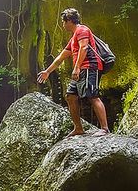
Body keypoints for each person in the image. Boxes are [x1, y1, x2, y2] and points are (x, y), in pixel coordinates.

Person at [37, 8, 109, 136]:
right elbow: (61, 57)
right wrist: (47, 72)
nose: (62, 25)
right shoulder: (74, 37)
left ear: (69, 20)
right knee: (70, 97)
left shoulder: (82, 30)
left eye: (63, 22)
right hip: (81, 69)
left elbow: (84, 47)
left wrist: (76, 67)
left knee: (92, 96)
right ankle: (78, 128)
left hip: (89, 67)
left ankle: (104, 128)